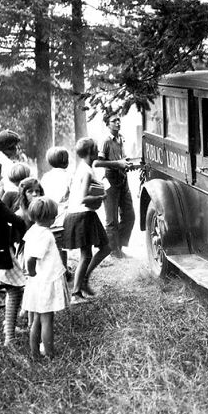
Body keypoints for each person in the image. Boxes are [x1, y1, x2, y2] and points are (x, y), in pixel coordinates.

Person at [63, 138, 110, 304]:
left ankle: (83, 282)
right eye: (96, 149)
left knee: (102, 249)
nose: (98, 152)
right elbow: (83, 198)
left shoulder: (85, 168)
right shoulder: (86, 171)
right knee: (88, 254)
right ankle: (76, 292)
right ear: (90, 152)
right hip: (82, 215)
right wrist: (102, 196)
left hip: (82, 214)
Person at [22, 196, 69, 359]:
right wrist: (32, 271)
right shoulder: (46, 234)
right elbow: (32, 258)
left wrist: (32, 274)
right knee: (47, 320)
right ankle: (49, 354)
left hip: (36, 283)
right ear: (49, 218)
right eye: (53, 217)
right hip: (45, 282)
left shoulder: (32, 231)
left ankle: (35, 353)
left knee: (36, 319)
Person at [0, 159, 27, 355]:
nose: (1, 177)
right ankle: (9, 336)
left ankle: (6, 332)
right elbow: (14, 219)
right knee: (16, 288)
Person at [93, 113, 135, 259]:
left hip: (123, 178)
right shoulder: (105, 140)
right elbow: (97, 163)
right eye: (114, 121)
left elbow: (122, 159)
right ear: (107, 124)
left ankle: (120, 247)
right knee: (112, 220)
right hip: (110, 180)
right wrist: (117, 164)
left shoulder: (121, 138)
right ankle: (114, 252)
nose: (118, 122)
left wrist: (126, 163)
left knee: (129, 216)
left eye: (119, 120)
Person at [0, 129, 23, 197]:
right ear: (8, 148)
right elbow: (11, 190)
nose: (18, 148)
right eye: (16, 146)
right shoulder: (6, 165)